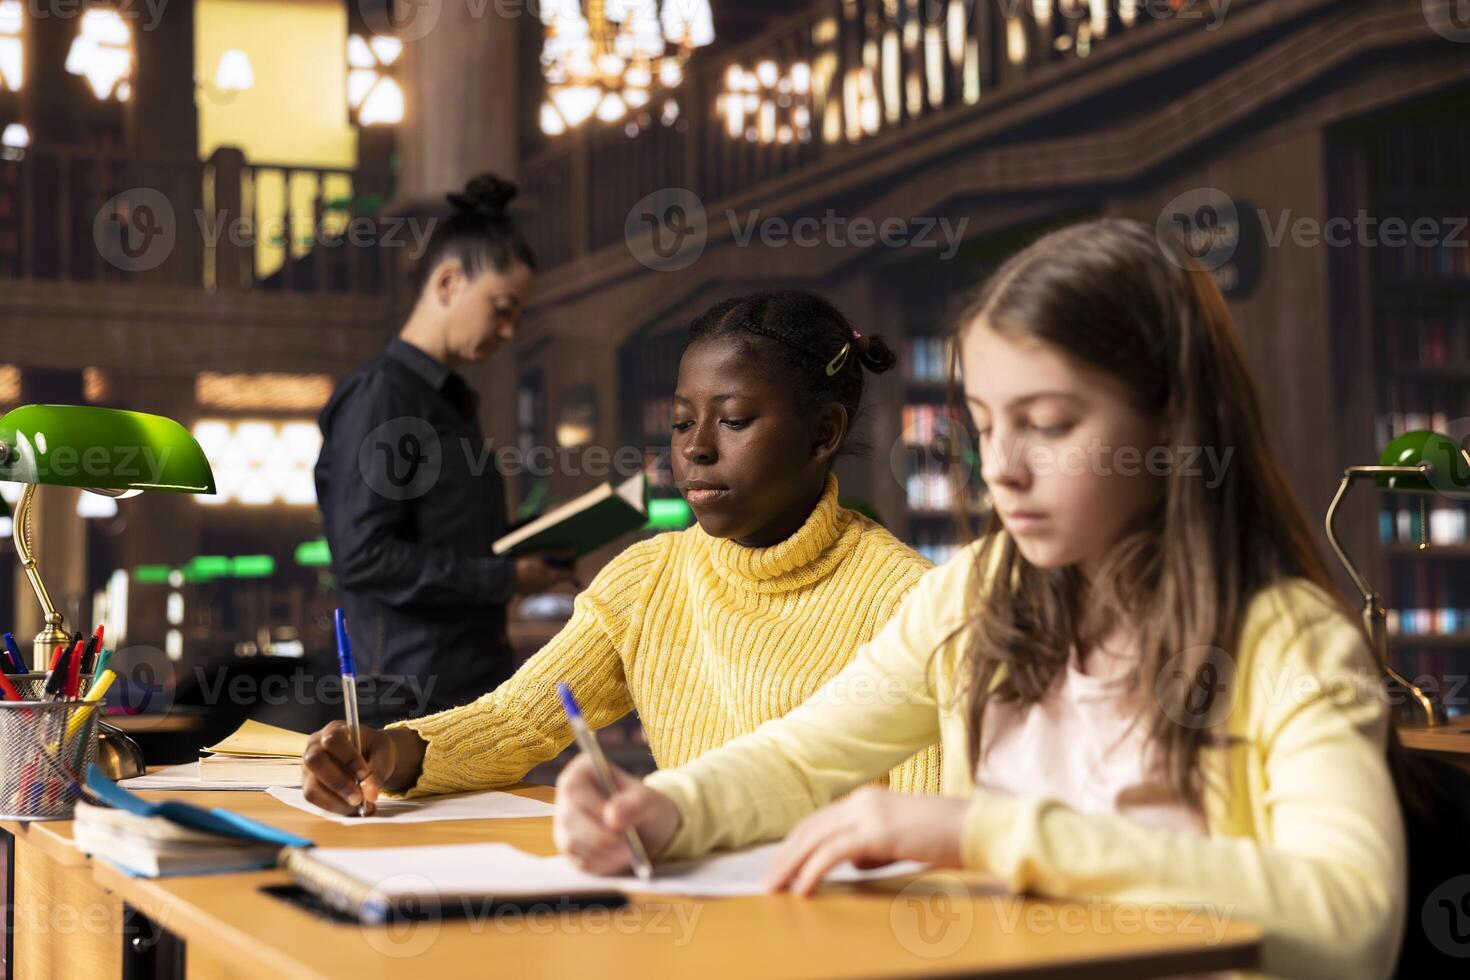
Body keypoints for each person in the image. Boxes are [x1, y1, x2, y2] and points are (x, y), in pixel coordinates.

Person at [554, 220, 1407, 980]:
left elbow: (1349, 920)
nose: (1001, 467)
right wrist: (667, 808)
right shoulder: (978, 592)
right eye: (987, 424)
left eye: (1049, 423)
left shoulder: (1288, 640)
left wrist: (982, 834)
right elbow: (804, 757)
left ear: (1171, 426)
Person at [301, 289, 943, 812]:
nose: (696, 448)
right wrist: (388, 752)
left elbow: (928, 836)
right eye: (682, 421)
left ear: (822, 433)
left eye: (735, 419)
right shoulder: (649, 578)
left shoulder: (907, 605)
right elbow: (518, 722)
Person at [314, 174, 575, 722]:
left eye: (518, 316)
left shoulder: (451, 398)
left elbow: (450, 542)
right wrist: (507, 578)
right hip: (406, 697)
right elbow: (363, 555)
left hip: (466, 684)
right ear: (449, 282)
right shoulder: (383, 395)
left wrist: (531, 546)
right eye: (502, 309)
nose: (509, 331)